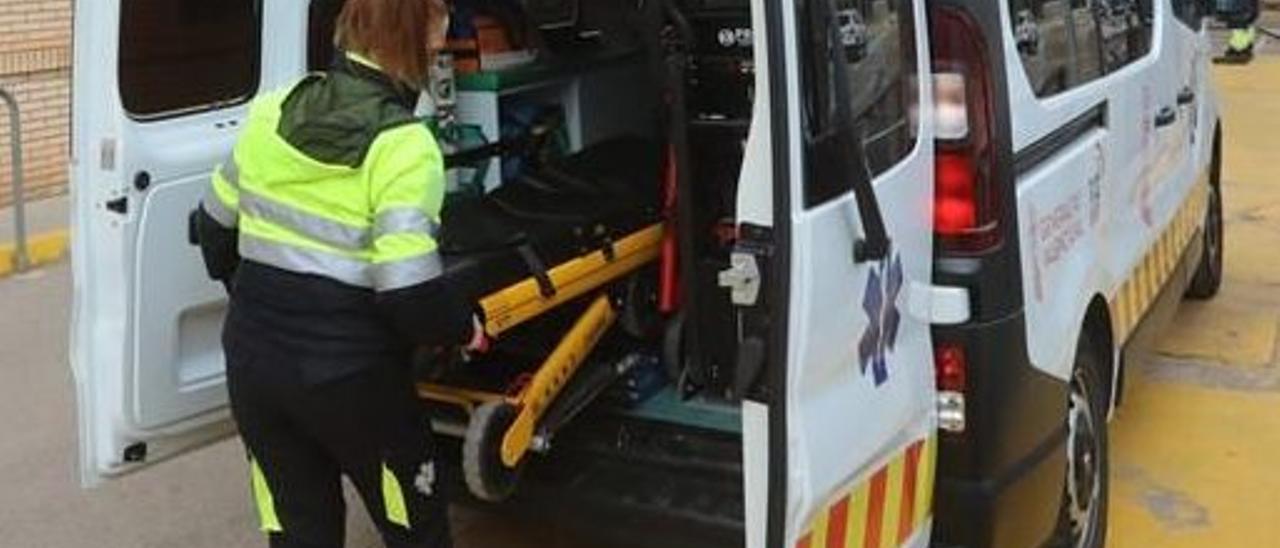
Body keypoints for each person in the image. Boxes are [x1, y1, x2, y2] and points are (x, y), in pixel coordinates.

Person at [191, 0, 488, 546]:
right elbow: (408, 292)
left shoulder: (272, 109)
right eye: (441, 20)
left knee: (299, 528)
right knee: (414, 529)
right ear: (417, 34)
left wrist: (268, 307)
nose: (445, 34)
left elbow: (211, 229)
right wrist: (462, 326)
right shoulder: (404, 143)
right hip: (351, 379)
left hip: (255, 365)